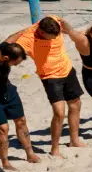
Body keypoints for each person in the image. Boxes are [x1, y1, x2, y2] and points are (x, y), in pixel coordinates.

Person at [6, 16, 86, 156]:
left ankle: (74, 140)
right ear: (42, 32)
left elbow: (66, 27)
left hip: (67, 69)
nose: (55, 38)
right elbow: (8, 45)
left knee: (75, 105)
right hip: (50, 77)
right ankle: (55, 148)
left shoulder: (54, 21)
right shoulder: (28, 39)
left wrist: (67, 27)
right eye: (51, 37)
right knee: (59, 113)